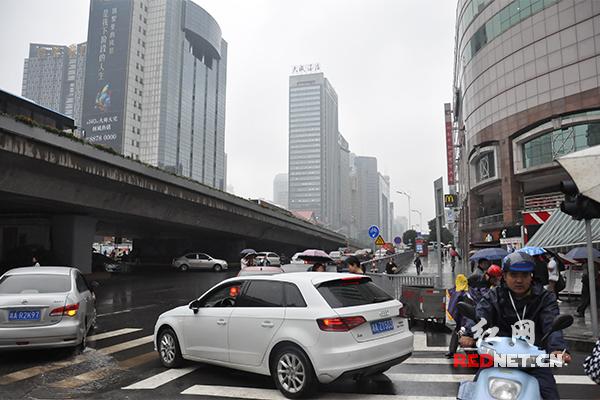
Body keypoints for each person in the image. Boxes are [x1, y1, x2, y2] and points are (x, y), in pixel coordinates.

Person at [459, 252, 571, 400]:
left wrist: (557, 349)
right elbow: (481, 314)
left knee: (549, 393)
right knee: (473, 392)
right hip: (497, 358)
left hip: (534, 362)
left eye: (524, 275)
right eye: (514, 275)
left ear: (531, 276)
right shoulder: (494, 296)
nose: (519, 280)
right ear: (504, 276)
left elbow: (551, 323)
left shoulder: (545, 298)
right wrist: (468, 333)